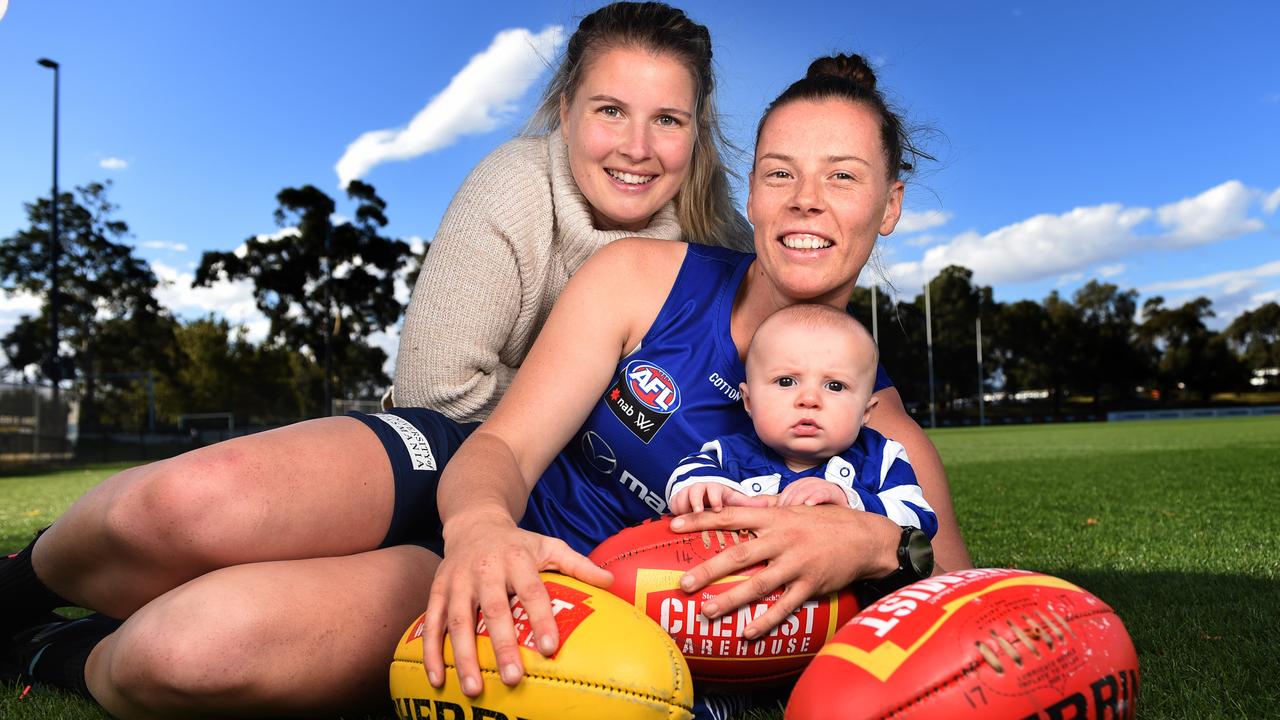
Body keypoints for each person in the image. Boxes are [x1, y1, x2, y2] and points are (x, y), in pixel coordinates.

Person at [0, 49, 972, 720]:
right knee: (179, 504)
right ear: (748, 189)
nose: (805, 200)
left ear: (887, 205)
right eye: (779, 173)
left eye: (842, 178)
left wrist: (881, 542)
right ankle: (11, 590)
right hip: (477, 507)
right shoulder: (646, 278)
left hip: (537, 604)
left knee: (193, 652)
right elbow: (502, 446)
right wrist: (477, 530)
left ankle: (44, 652)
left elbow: (962, 601)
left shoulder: (878, 431)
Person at [391, 1, 751, 421]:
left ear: (696, 134)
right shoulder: (514, 186)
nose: (637, 149)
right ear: (566, 114)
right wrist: (620, 413)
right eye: (610, 111)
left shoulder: (726, 241)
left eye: (667, 120)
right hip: (470, 450)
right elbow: (435, 391)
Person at [665, 303, 939, 545]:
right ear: (749, 401)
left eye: (835, 385)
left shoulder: (880, 459)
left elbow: (921, 521)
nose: (809, 399)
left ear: (865, 412)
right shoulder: (727, 454)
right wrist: (705, 488)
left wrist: (849, 500)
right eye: (786, 381)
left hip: (849, 600)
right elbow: (686, 476)